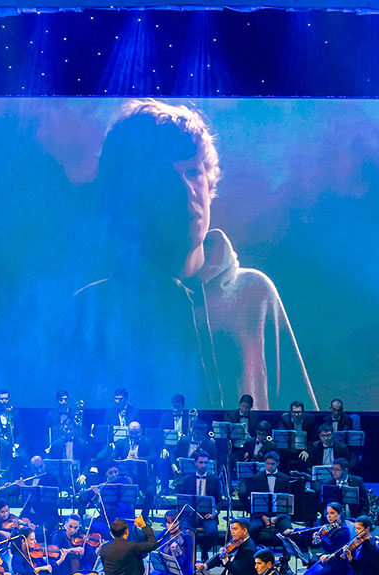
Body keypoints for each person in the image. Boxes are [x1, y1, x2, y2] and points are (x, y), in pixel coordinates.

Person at [69, 100, 316, 410]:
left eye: (193, 172)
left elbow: (304, 424)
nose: (186, 192)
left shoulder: (255, 294)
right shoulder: (95, 310)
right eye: (163, 178)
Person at [296, 503, 352, 575]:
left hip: (338, 565)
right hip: (328, 560)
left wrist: (321, 540)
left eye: (332, 513)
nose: (329, 516)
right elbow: (312, 531)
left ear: (339, 514)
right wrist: (296, 531)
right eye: (328, 513)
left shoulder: (344, 531)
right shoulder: (331, 527)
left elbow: (335, 550)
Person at [175, 450, 223, 557]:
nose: (203, 465)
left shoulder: (214, 479)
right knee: (185, 531)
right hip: (190, 513)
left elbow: (220, 500)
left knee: (213, 532)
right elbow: (182, 499)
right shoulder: (187, 480)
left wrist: (214, 512)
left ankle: (204, 549)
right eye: (201, 462)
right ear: (195, 463)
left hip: (208, 514)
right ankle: (188, 555)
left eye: (206, 463)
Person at [247, 451, 293, 548]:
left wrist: (277, 517)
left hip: (279, 515)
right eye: (267, 463)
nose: (270, 466)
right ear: (264, 463)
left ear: (277, 464)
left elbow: (287, 502)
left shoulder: (285, 479)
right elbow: (253, 502)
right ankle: (255, 553)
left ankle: (285, 556)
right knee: (254, 528)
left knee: (288, 530)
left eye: (272, 464)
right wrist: (264, 517)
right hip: (260, 514)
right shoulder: (256, 478)